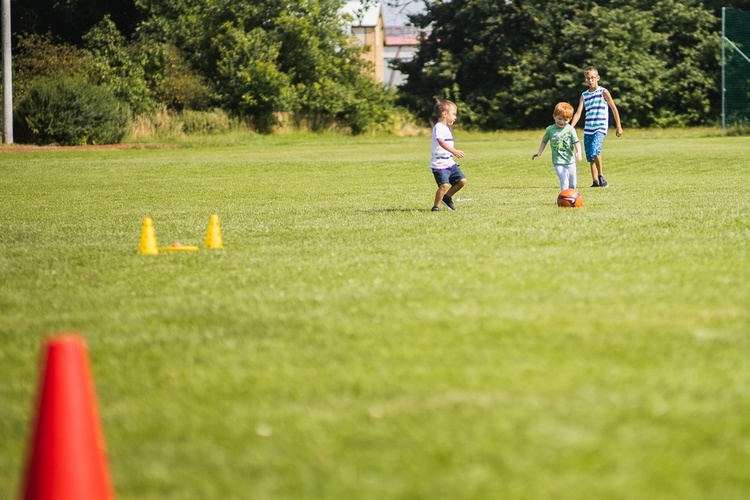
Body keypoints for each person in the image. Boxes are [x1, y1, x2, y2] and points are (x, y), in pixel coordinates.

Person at [570, 66, 623, 188]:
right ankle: (595, 181)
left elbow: (614, 109)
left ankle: (601, 176)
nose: (590, 80)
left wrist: (618, 126)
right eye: (588, 78)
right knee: (590, 155)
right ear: (585, 80)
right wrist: (571, 127)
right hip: (588, 128)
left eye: (593, 78)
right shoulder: (584, 95)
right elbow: (578, 113)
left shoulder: (603, 92)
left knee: (595, 149)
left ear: (598, 78)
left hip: (600, 127)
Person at [532, 102, 582, 191]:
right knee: (564, 181)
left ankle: (572, 198)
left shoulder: (571, 130)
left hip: (570, 161)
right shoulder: (550, 130)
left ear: (570, 119)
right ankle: (564, 198)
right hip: (558, 162)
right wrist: (539, 152)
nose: (562, 122)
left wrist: (579, 152)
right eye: (559, 119)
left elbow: (576, 142)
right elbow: (544, 141)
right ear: (554, 116)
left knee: (573, 184)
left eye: (565, 120)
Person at [429, 99, 466, 211]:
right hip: (439, 164)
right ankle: (436, 206)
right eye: (453, 114)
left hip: (449, 163)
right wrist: (454, 151)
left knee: (462, 181)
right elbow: (440, 141)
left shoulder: (446, 128)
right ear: (445, 114)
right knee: (444, 185)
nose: (455, 117)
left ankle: (447, 197)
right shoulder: (439, 127)